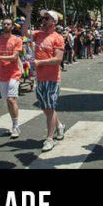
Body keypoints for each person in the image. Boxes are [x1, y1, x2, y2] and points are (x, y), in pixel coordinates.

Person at [30, 10, 66, 153]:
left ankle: (49, 138)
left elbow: (58, 59)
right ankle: (59, 126)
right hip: (40, 78)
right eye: (43, 17)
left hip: (52, 78)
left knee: (49, 107)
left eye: (47, 18)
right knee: (45, 107)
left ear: (54, 22)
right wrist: (28, 14)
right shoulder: (38, 34)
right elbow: (24, 32)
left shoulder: (58, 38)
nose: (43, 20)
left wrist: (40, 62)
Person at [0, 18, 23, 138]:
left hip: (14, 73)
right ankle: (14, 122)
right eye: (4, 23)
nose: (5, 25)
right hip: (2, 74)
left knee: (11, 99)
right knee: (7, 101)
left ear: (12, 26)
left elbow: (14, 57)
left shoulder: (17, 40)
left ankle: (16, 126)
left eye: (8, 24)